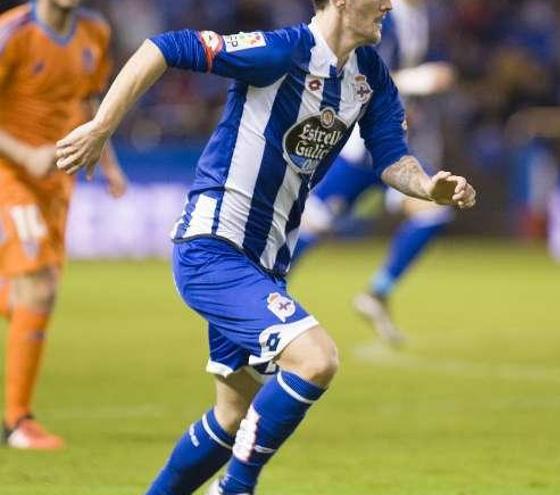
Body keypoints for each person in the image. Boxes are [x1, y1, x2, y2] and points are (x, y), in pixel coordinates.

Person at [56, 0, 476, 493]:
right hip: (213, 248)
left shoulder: (370, 76)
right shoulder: (281, 51)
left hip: (265, 264)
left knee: (232, 415)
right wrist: (102, 128)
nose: (388, 4)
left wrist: (427, 188)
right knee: (316, 359)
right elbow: (164, 47)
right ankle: (235, 488)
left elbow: (389, 154)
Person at [0, 0, 127, 450]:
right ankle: (17, 422)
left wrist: (108, 161)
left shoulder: (95, 31)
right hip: (10, 175)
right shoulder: (12, 33)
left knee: (35, 291)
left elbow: (91, 102)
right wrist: (24, 154)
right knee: (39, 287)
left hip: (56, 181)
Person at [291, 0, 456, 346]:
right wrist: (418, 80)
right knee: (313, 225)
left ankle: (376, 293)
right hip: (356, 145)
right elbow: (358, 71)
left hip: (387, 146)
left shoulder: (419, 17)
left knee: (433, 213)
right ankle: (262, 293)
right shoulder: (383, 15)